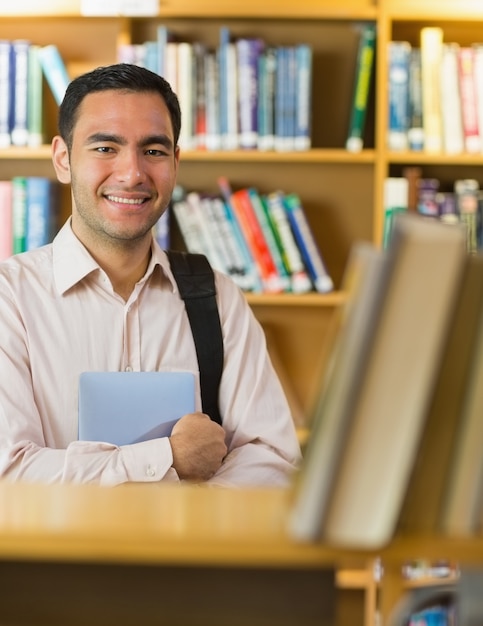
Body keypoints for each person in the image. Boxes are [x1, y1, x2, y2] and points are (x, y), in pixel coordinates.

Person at [0, 63, 301, 486]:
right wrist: (168, 460)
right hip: (53, 553)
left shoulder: (216, 297)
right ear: (63, 159)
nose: (132, 173)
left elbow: (273, 459)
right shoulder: (9, 299)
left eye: (154, 151)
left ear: (175, 163)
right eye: (105, 148)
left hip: (187, 550)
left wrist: (184, 529)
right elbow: (9, 473)